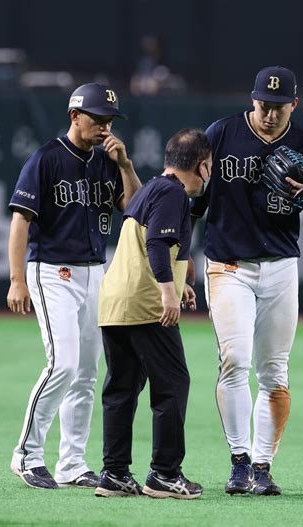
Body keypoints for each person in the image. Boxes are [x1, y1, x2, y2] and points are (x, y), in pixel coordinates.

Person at [190, 66, 303, 496]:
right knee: (235, 360)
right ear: (252, 99)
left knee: (275, 372)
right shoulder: (221, 135)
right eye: (264, 104)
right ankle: (239, 462)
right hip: (228, 265)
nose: (271, 113)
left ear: (294, 104)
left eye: (280, 106)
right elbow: (193, 200)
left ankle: (263, 466)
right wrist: (178, 255)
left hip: (280, 266)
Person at [6, 83, 141, 489]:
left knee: (85, 373)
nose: (104, 127)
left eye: (109, 120)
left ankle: (72, 464)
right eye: (97, 118)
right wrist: (17, 280)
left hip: (94, 272)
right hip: (52, 271)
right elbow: (20, 222)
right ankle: (26, 454)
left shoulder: (108, 162)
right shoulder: (46, 159)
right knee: (62, 364)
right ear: (74, 116)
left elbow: (134, 211)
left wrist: (126, 166)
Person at [94, 128, 211, 499]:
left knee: (121, 388)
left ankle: (113, 474)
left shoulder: (149, 189)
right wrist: (167, 293)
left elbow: (143, 246)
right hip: (146, 304)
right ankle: (164, 473)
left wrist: (180, 284)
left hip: (114, 302)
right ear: (203, 166)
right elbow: (157, 243)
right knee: (173, 383)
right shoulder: (173, 192)